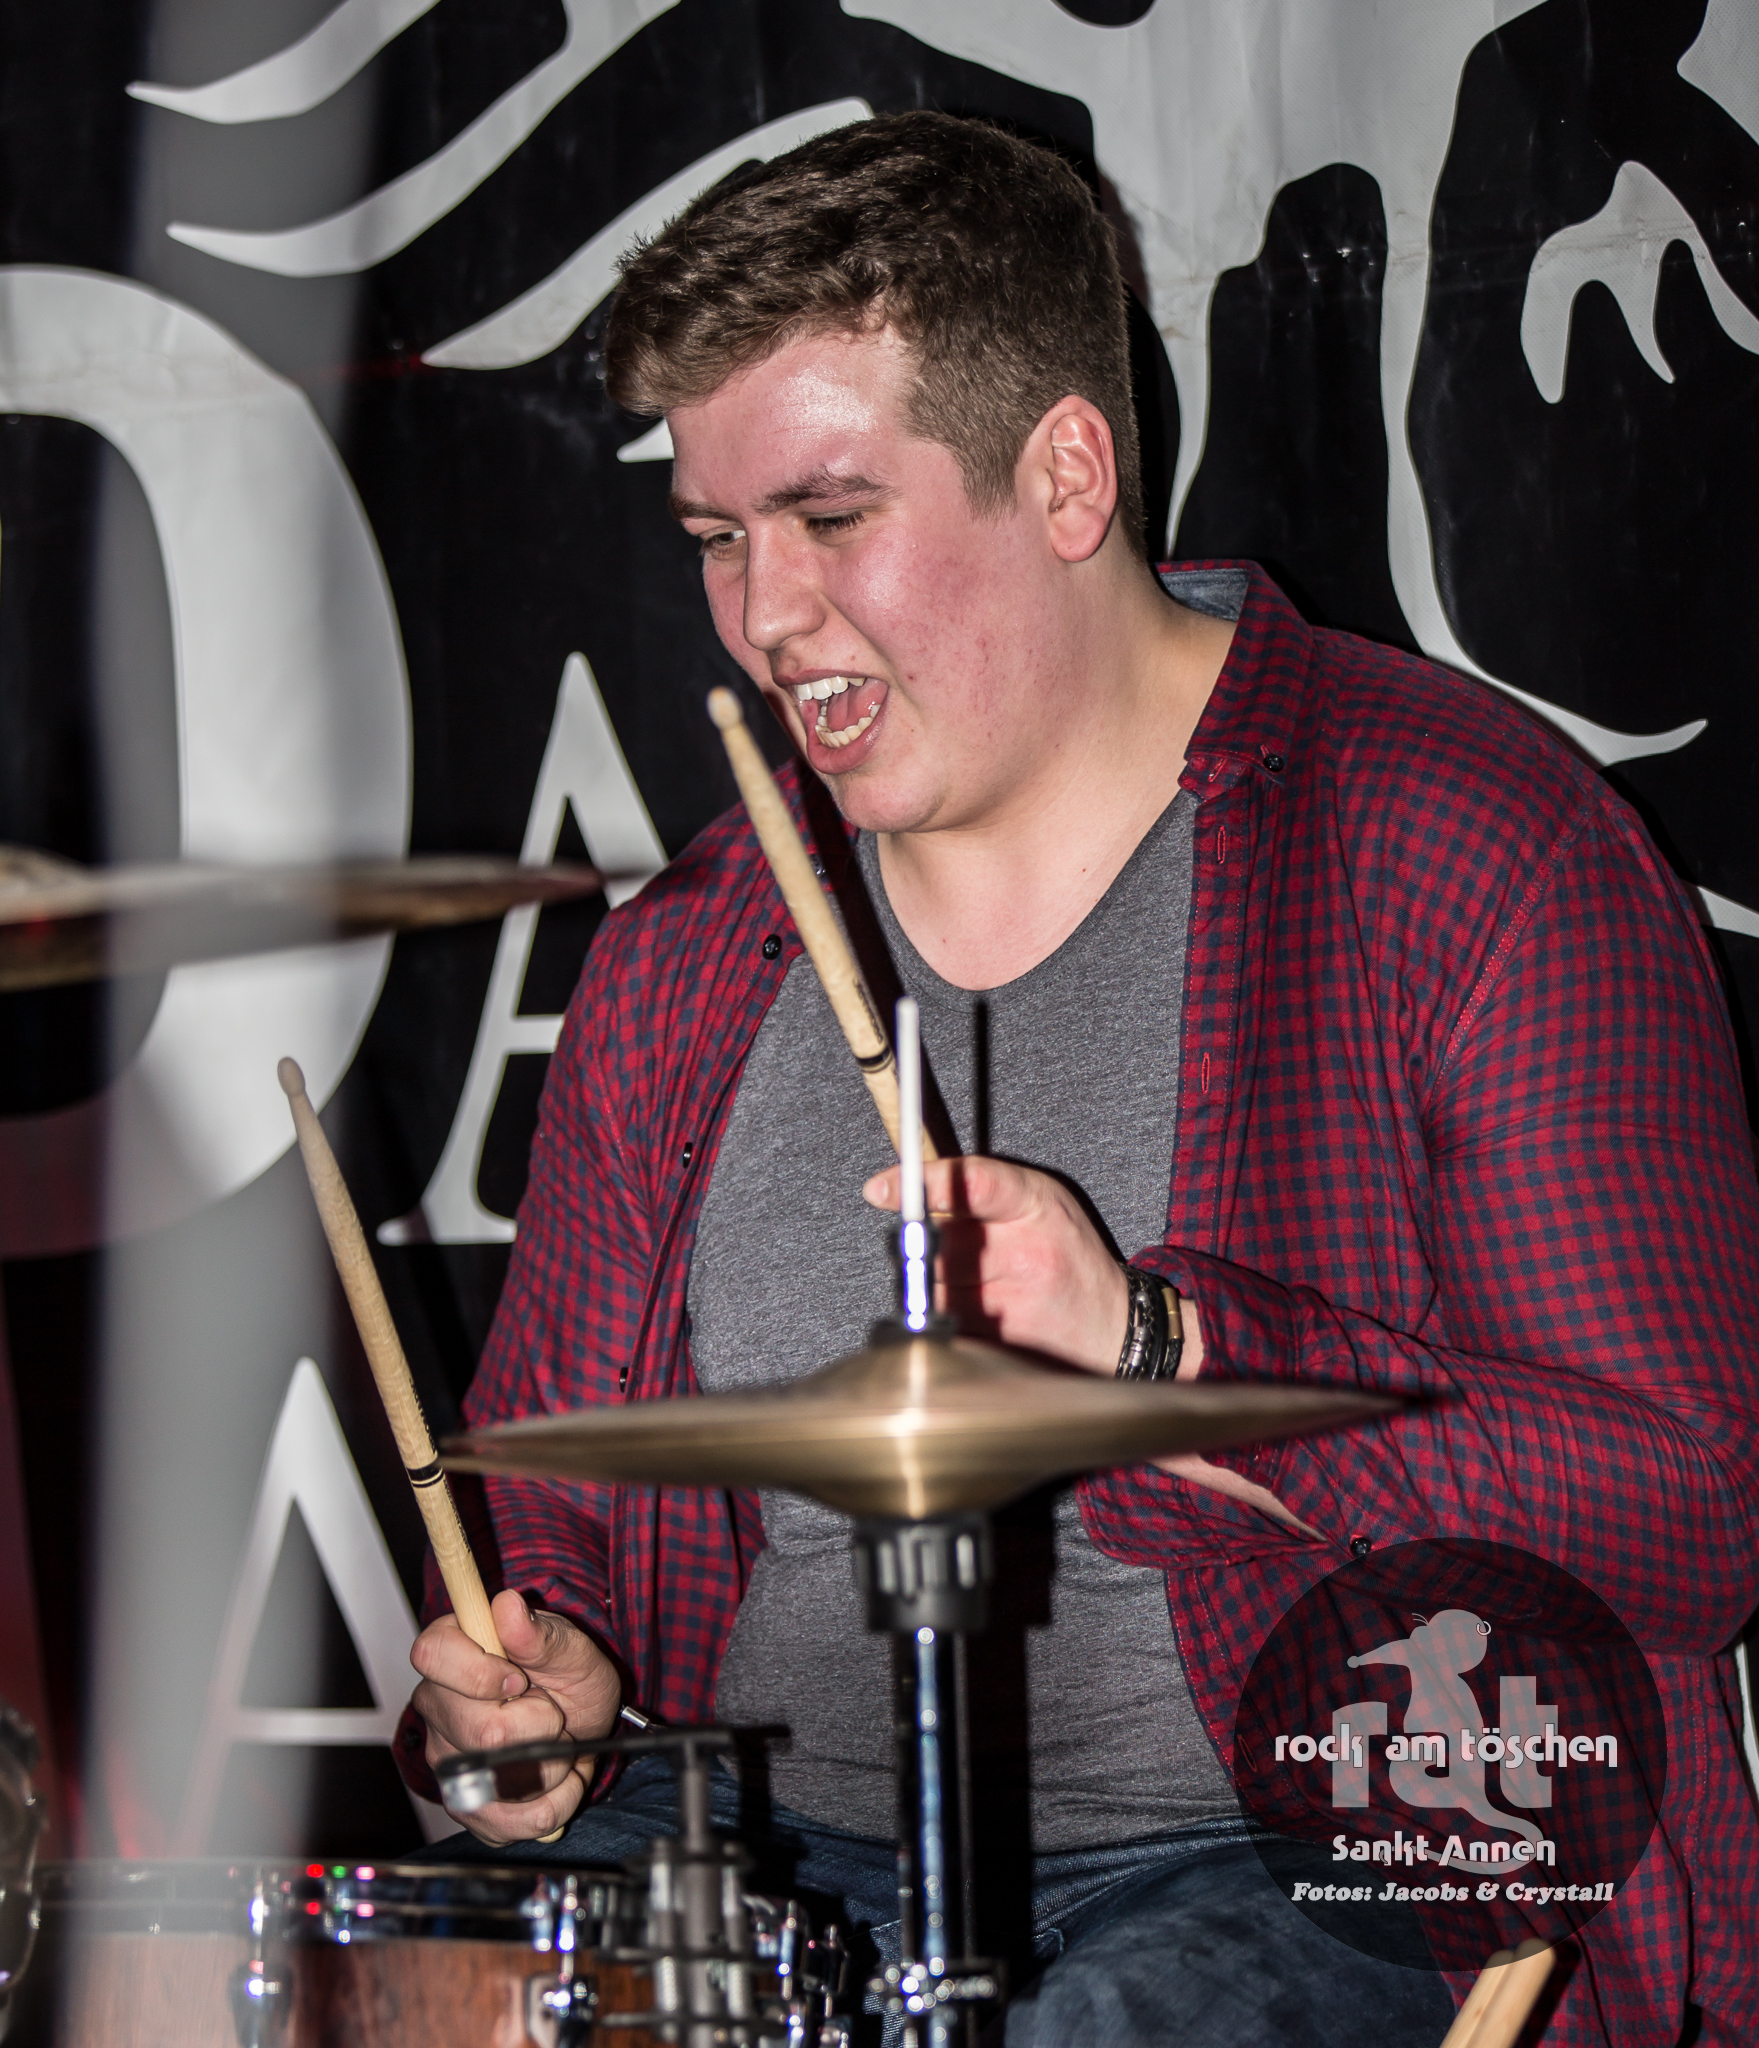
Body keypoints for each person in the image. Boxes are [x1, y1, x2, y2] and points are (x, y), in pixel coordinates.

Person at [395, 113, 1759, 2045]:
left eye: (829, 518)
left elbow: (1689, 1514)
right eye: (715, 536)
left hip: (1320, 1850)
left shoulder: (1465, 846)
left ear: (1064, 474)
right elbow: (552, 1488)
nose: (763, 613)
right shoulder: (692, 953)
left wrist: (1160, 1348)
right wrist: (534, 1672)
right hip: (774, 1858)